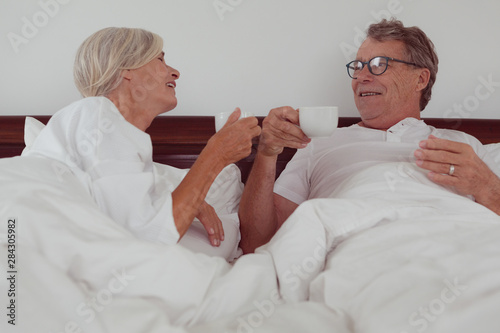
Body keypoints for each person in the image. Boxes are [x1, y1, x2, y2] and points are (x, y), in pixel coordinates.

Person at [238, 18, 500, 254]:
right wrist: (266, 152)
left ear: (420, 79)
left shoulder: (464, 146)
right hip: (361, 253)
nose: (360, 78)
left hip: (455, 251)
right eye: (358, 66)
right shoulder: (318, 144)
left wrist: (487, 187)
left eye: (377, 65)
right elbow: (257, 243)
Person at [23, 27, 261, 248]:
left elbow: (125, 215)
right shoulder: (96, 113)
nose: (175, 72)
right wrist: (216, 155)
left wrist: (189, 199)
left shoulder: (110, 136)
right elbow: (146, 240)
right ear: (126, 70)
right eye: (160, 59)